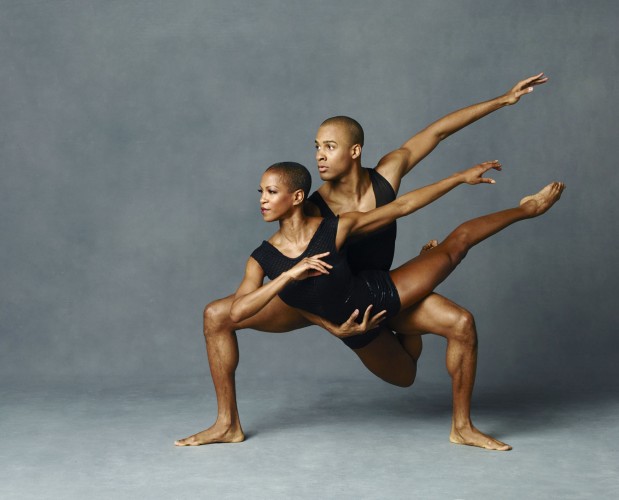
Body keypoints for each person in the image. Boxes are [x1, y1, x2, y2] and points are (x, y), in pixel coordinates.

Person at [175, 74, 549, 450]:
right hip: (314, 299)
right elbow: (301, 283)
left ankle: (463, 426)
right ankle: (227, 423)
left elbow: (436, 133)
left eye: (329, 146)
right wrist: (331, 325)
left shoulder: (385, 178)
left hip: (375, 290)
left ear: (354, 151)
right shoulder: (313, 208)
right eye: (316, 147)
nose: (319, 154)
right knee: (216, 315)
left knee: (442, 340)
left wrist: (503, 100)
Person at [230, 162, 563, 447]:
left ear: (297, 197)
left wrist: (459, 177)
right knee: (406, 374)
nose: (262, 200)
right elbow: (237, 311)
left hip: (383, 291)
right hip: (362, 328)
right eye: (260, 192)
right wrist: (288, 276)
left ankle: (526, 209)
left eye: (271, 192)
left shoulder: (335, 227)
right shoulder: (262, 259)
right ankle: (411, 324)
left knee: (456, 248)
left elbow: (401, 207)